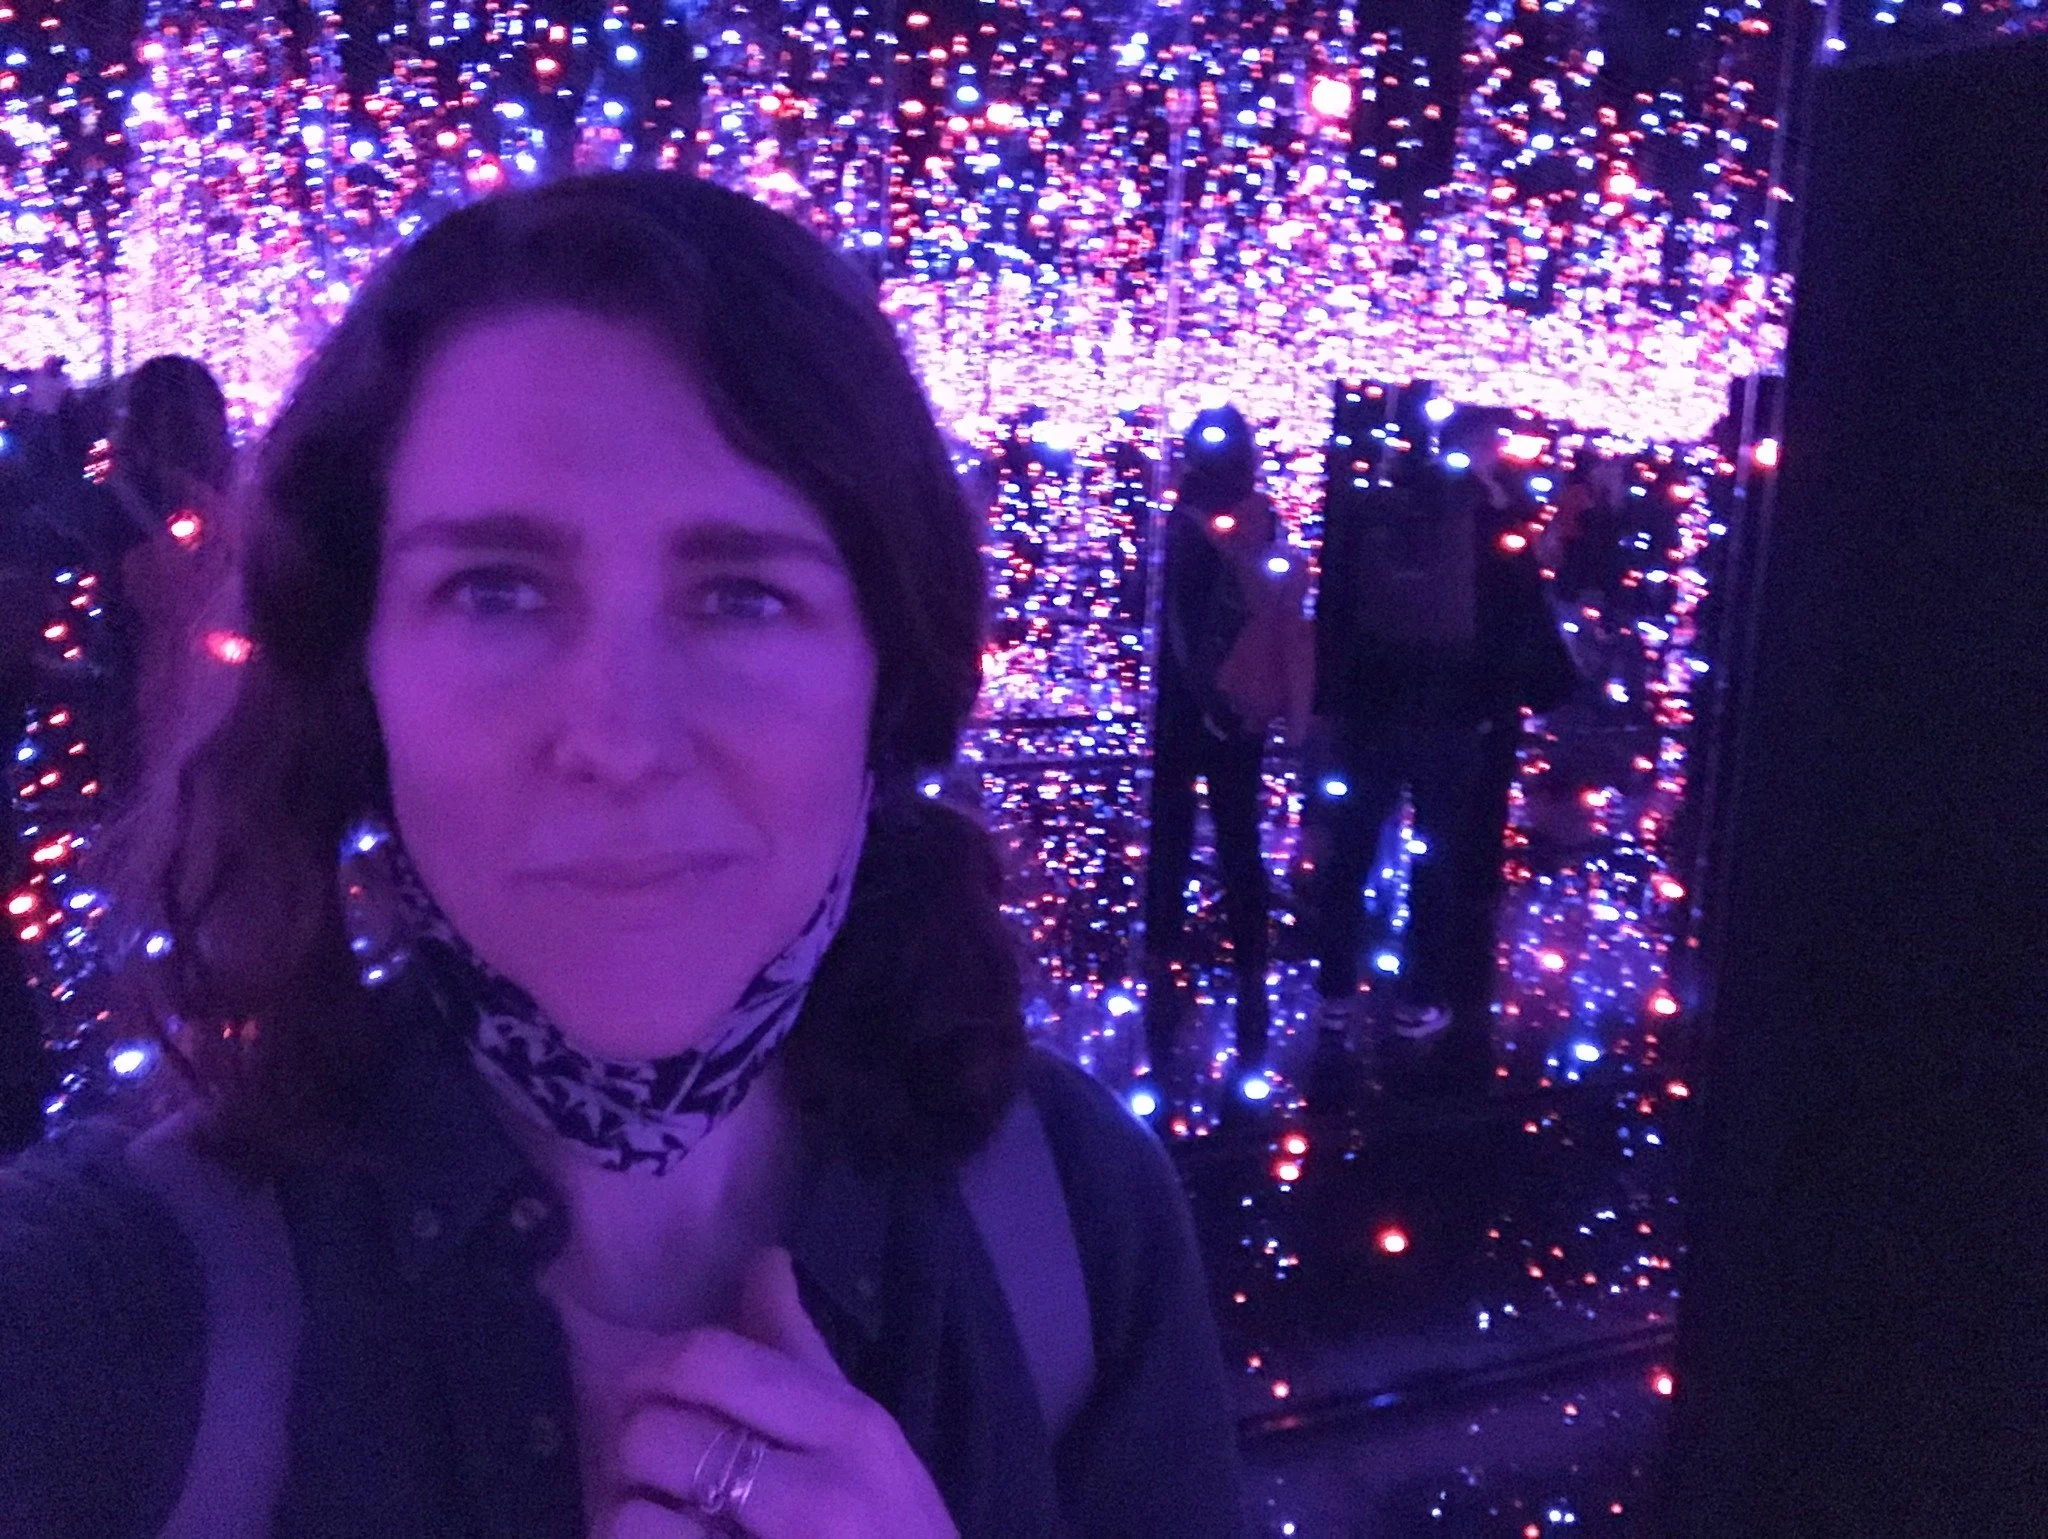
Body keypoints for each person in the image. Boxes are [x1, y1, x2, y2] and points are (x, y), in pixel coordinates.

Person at [0, 173, 1242, 1539]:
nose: (620, 737)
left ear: (884, 680)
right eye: (498, 589)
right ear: (362, 675)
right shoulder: (97, 1316)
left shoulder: (1074, 1226)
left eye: (741, 594)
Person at [1143, 406, 1287, 1086]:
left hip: (1186, 703)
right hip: (1240, 704)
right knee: (1238, 833)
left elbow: (1167, 609)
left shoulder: (1181, 519)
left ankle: (1164, 944)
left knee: (1173, 828)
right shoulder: (1262, 518)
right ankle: (1250, 948)